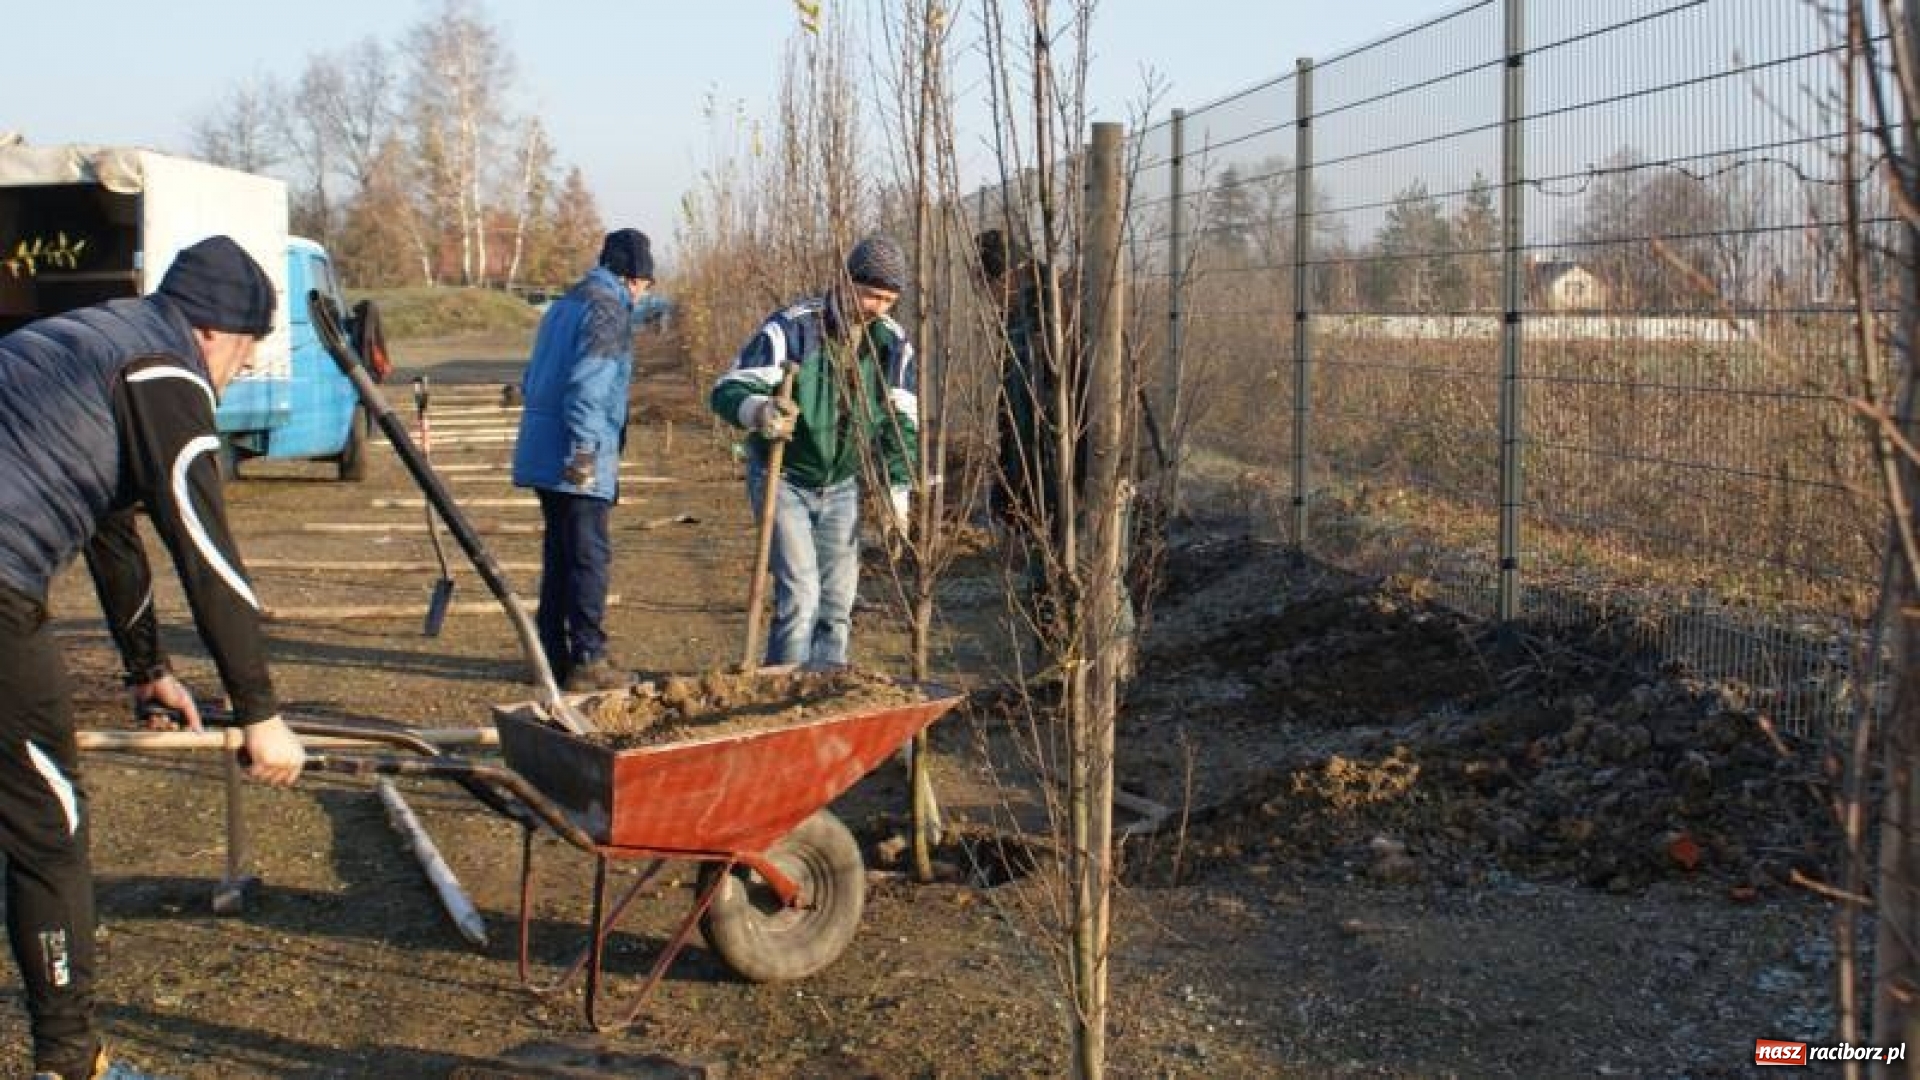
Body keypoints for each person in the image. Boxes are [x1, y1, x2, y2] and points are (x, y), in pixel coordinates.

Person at [0, 235, 308, 1080]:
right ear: (217, 333)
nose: (238, 375)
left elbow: (111, 528)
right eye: (244, 356)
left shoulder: (90, 336)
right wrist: (260, 711)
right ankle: (73, 1064)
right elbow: (204, 547)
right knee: (49, 827)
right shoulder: (167, 373)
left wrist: (147, 670)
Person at [711, 234, 919, 668]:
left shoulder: (892, 344)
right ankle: (784, 690)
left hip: (841, 484)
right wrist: (759, 410)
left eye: (888, 300)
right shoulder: (793, 329)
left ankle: (825, 690)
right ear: (845, 282)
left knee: (838, 604)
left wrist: (897, 489)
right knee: (801, 598)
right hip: (783, 476)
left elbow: (900, 421)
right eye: (869, 295)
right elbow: (727, 389)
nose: (877, 308)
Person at [511, 228, 656, 691]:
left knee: (560, 554)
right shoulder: (608, 309)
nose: (643, 295)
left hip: (542, 447)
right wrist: (585, 456)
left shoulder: (565, 304)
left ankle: (549, 655)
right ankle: (589, 658)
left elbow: (533, 377)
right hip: (576, 454)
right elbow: (588, 389)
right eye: (646, 285)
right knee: (589, 557)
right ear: (634, 278)